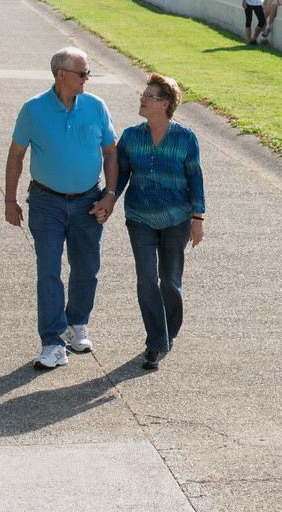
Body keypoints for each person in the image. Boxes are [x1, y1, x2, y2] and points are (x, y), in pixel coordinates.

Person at [5, 46, 118, 370]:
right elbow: (16, 155)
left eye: (87, 74)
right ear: (61, 75)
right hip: (46, 202)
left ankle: (76, 323)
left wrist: (110, 195)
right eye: (82, 74)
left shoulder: (96, 106)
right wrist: (10, 201)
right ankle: (52, 342)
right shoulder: (33, 110)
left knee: (86, 269)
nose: (87, 79)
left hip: (88, 202)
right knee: (49, 271)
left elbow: (110, 152)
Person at [115, 72, 205, 371]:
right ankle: (155, 342)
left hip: (176, 220)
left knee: (170, 281)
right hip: (139, 218)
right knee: (146, 280)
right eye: (143, 94)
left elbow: (195, 177)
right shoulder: (130, 136)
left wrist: (197, 218)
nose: (142, 98)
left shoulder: (185, 137)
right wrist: (107, 201)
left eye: (148, 96)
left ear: (164, 104)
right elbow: (120, 175)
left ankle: (169, 331)